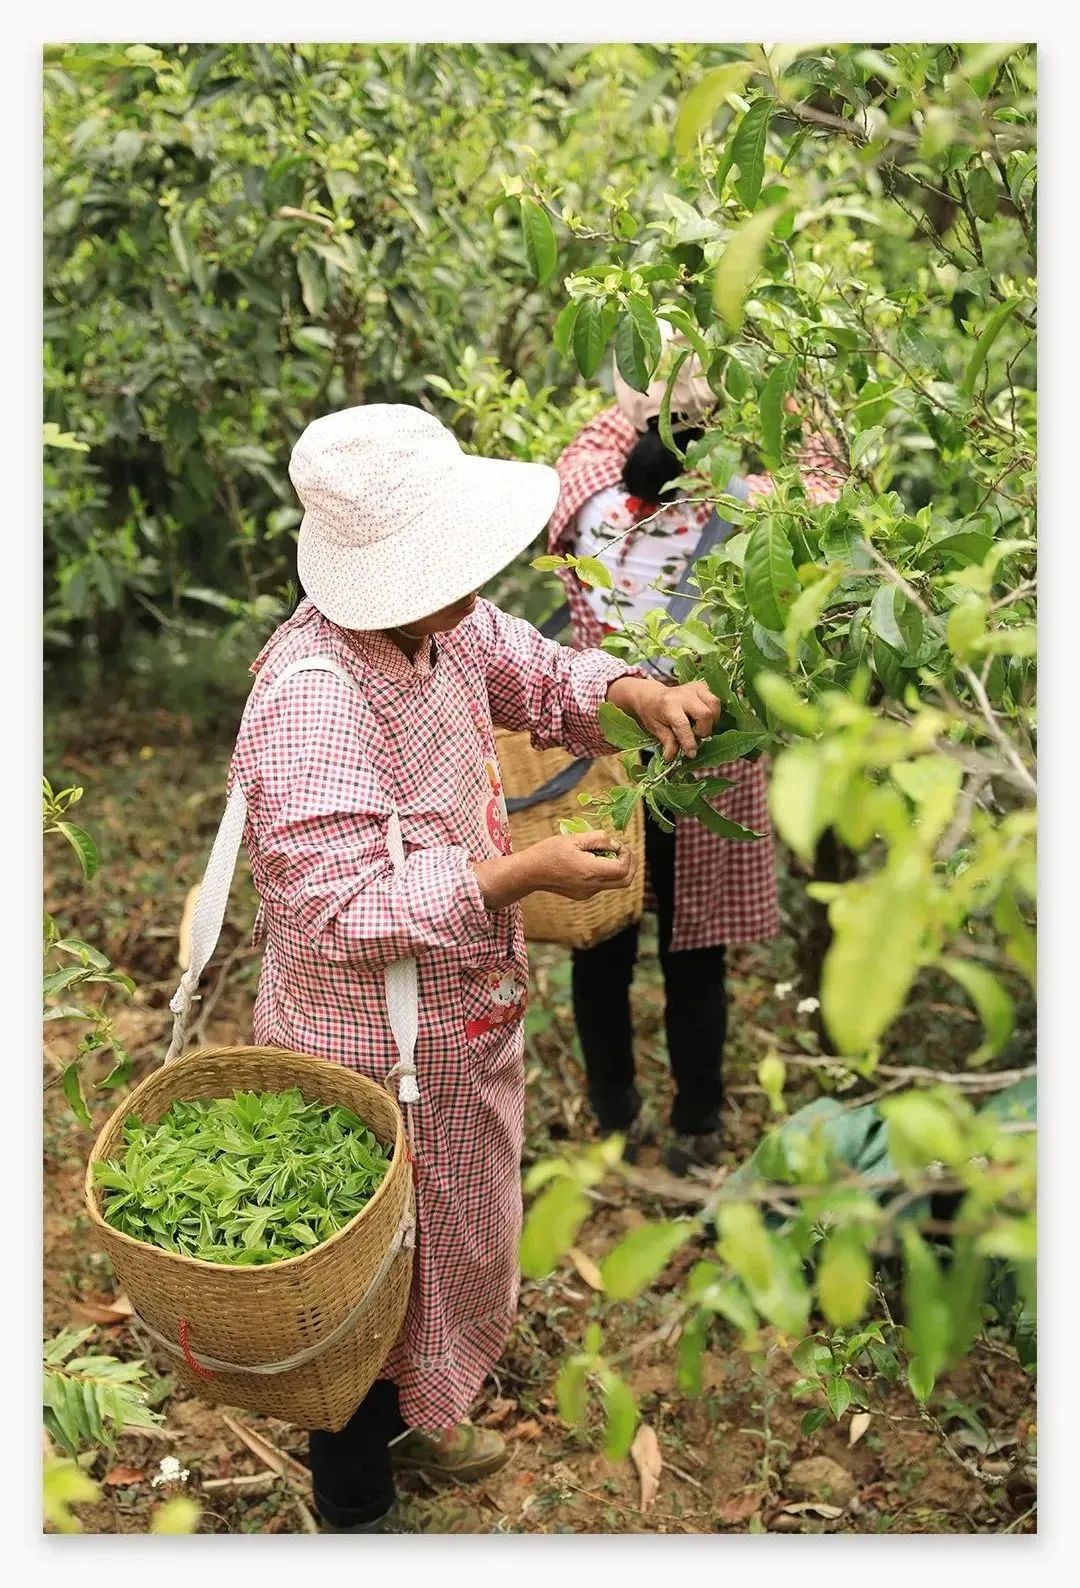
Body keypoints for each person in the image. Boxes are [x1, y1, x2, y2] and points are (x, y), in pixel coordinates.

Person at [226, 403, 725, 1532]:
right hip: (361, 1047)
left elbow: (539, 673)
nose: (471, 587)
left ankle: (417, 1419)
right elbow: (332, 904)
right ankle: (357, 1504)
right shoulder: (314, 693)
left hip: (452, 1022)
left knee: (445, 1236)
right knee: (358, 1278)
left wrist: (630, 692)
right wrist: (516, 873)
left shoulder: (443, 630)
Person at [547, 333, 846, 1176]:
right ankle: (699, 1129)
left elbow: (597, 442)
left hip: (601, 741)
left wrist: (646, 403)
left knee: (600, 940)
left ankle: (613, 1113)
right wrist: (766, 387)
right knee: (695, 951)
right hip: (706, 749)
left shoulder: (586, 504)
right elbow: (828, 474)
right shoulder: (752, 505)